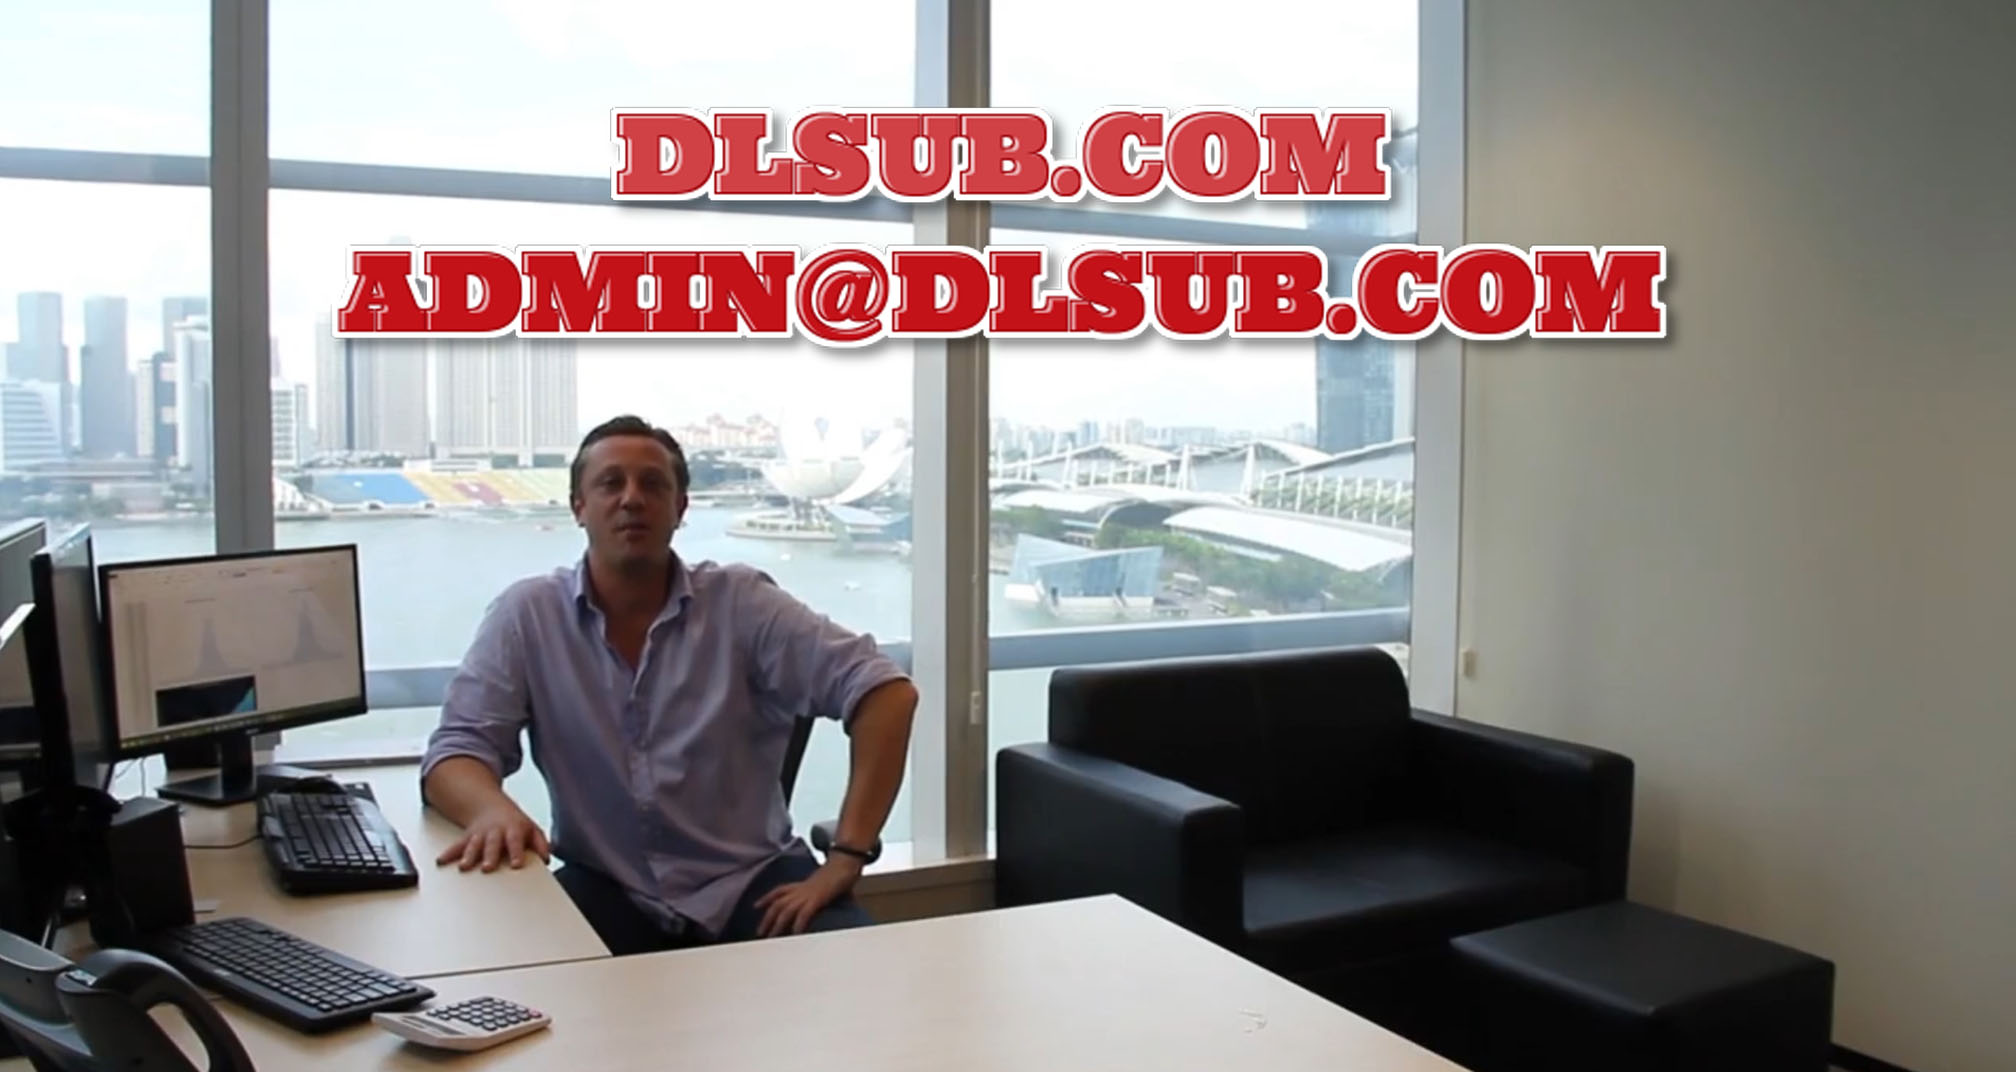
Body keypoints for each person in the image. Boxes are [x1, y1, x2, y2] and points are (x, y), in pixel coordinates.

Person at [419, 415, 917, 955]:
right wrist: (491, 810)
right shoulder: (528, 615)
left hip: (754, 884)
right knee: (511, 979)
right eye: (611, 483)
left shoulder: (742, 603)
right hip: (607, 886)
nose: (632, 498)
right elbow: (457, 750)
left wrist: (847, 855)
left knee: (866, 976)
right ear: (578, 507)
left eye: (653, 485)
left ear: (680, 508)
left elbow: (886, 693)